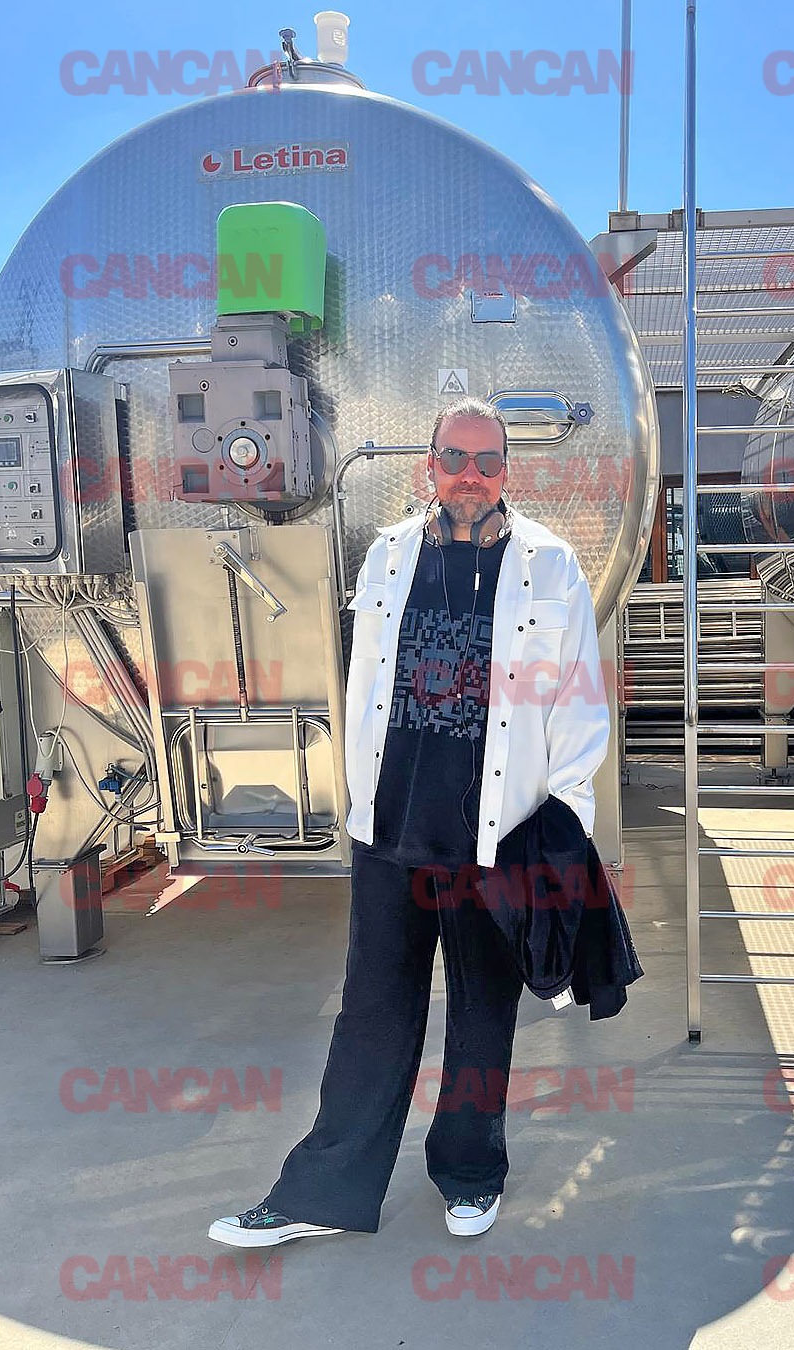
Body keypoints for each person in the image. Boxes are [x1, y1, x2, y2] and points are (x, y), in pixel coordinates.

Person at [209, 396, 610, 1248]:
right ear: (429, 465)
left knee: (482, 1013)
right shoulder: (388, 556)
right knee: (371, 1013)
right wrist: (355, 800)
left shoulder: (550, 565)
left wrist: (567, 823)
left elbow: (579, 703)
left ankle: (470, 1172)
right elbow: (364, 686)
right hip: (391, 832)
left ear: (507, 470)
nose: (472, 475)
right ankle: (321, 1190)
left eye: (488, 460)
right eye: (455, 458)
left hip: (495, 834)